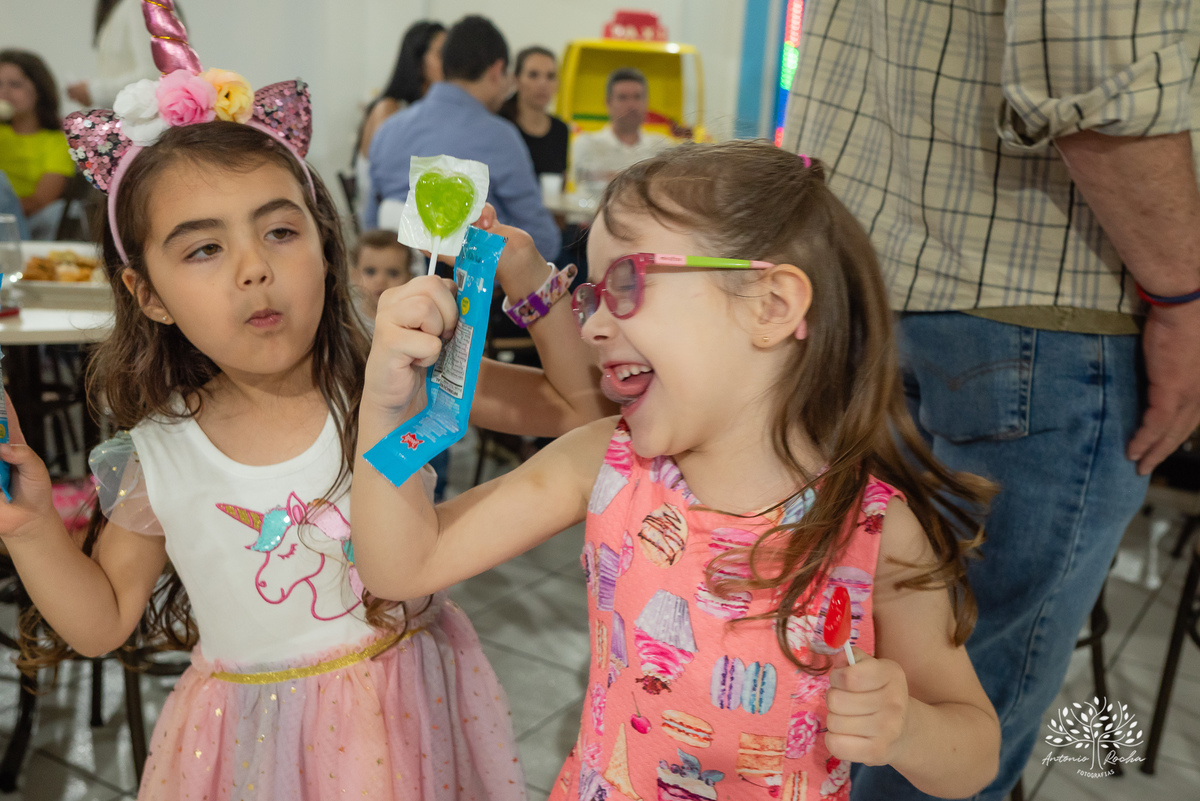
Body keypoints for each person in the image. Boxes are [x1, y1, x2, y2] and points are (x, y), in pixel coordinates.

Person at [3, 32, 607, 800]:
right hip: (250, 749)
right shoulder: (158, 454)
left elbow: (577, 407)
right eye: (202, 250)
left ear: (324, 249)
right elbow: (103, 619)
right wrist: (27, 528)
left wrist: (533, 284)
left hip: (408, 721)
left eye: (280, 231)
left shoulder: (385, 379)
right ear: (147, 293)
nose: (255, 265)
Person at [352, 141, 1003, 800]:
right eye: (595, 295)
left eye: (627, 284)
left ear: (771, 305)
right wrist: (383, 405)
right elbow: (402, 565)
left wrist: (907, 728)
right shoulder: (606, 461)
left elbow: (975, 752)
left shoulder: (874, 531)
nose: (593, 327)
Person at [781, 3, 1200, 799]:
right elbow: (1095, 54)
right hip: (1039, 291)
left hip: (865, 273)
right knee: (952, 709)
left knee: (861, 686)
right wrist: (1185, 296)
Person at [367, 15, 561, 262]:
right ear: (497, 70)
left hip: (397, 284)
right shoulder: (499, 137)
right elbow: (541, 241)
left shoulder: (388, 130)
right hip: (474, 290)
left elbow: (372, 225)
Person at [352, 21, 446, 227]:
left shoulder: (439, 112)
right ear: (418, 61)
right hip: (384, 222)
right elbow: (385, 186)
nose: (450, 63)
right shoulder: (389, 109)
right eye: (441, 55)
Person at [0, 50, 74, 239]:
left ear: (39, 90)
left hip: (27, 225)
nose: (4, 93)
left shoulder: (56, 141)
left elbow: (41, 201)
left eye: (15, 85)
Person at [568, 68, 671, 202]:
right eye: (623, 98)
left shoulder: (662, 148)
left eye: (637, 97)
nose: (631, 105)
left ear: (647, 102)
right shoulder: (587, 144)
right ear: (608, 103)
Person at [67, 0, 164, 109]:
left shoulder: (138, 4)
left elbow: (154, 76)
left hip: (142, 120)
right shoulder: (123, 8)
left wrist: (94, 91)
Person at [499, 47, 570, 179]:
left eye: (550, 76)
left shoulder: (560, 130)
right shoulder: (500, 123)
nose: (543, 84)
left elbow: (562, 182)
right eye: (533, 75)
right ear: (516, 79)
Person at [351, 228, 415, 322]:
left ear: (409, 278)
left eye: (393, 273)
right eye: (370, 271)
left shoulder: (414, 319)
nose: (380, 280)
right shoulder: (345, 319)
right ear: (354, 275)